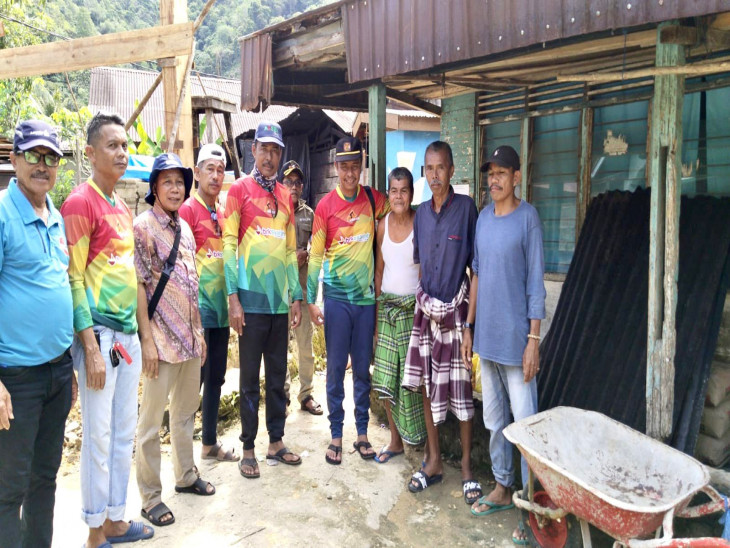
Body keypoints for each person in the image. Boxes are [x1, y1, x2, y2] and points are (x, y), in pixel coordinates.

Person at [61, 112, 154, 547]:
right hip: (98, 338)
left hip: (126, 341)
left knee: (122, 433)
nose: (122, 152)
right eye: (113, 145)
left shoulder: (119, 206)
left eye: (125, 145)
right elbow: (74, 277)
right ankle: (95, 531)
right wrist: (91, 348)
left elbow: (131, 277)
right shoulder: (81, 203)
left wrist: (142, 335)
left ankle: (117, 519)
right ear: (91, 152)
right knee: (97, 438)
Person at [462, 145, 546, 543]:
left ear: (517, 177)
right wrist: (469, 327)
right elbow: (475, 275)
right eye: (489, 173)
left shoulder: (528, 219)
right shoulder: (482, 219)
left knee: (527, 426)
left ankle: (533, 508)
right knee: (495, 421)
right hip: (488, 341)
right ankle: (502, 486)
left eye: (501, 173)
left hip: (518, 343)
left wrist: (534, 339)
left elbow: (535, 285)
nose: (493, 180)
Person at [0, 120, 76, 548]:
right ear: (14, 159)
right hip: (16, 379)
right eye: (33, 155)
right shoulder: (2, 214)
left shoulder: (55, 216)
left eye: (50, 157)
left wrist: (68, 366)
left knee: (45, 479)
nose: (42, 165)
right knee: (9, 490)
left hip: (56, 373)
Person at [135, 152, 215, 527]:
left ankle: (185, 477)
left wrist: (199, 334)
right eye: (166, 181)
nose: (174, 188)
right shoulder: (143, 227)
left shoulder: (183, 229)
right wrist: (146, 341)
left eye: (179, 182)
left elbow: (190, 284)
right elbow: (138, 285)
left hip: (187, 341)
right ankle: (151, 497)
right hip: (159, 345)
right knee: (151, 424)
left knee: (184, 415)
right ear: (154, 187)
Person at [401, 141, 481, 505]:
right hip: (426, 312)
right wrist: (427, 306)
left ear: (452, 170)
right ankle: (433, 461)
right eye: (428, 169)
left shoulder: (466, 210)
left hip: (456, 315)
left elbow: (476, 268)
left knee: (462, 391)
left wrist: (468, 325)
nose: (434, 175)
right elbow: (420, 264)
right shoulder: (420, 215)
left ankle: (466, 467)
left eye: (440, 168)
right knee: (426, 387)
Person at [223, 121, 303, 479]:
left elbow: (289, 254)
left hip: (278, 306)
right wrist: (233, 298)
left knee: (277, 376)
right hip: (250, 305)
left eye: (276, 150)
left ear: (281, 154)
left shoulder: (286, 196)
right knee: (249, 380)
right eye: (264, 149)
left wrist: (296, 297)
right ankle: (249, 448)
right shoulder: (238, 191)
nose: (269, 156)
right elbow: (227, 247)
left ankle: (276, 441)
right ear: (252, 150)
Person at [307, 136, 388, 465]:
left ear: (361, 167)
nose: (350, 173)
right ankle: (337, 434)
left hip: (366, 302)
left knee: (363, 371)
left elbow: (399, 209)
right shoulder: (325, 206)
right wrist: (311, 300)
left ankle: (363, 434)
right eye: (344, 167)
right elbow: (314, 257)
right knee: (336, 368)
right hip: (337, 301)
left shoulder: (373, 199)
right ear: (336, 168)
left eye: (355, 166)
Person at [179, 143, 239, 462]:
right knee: (193, 383)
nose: (216, 176)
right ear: (197, 173)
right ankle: (183, 458)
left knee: (216, 378)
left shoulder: (223, 211)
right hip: (197, 317)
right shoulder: (188, 210)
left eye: (221, 170)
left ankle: (209, 445)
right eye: (210, 169)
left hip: (220, 314)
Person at [372, 167, 426, 463]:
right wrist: (379, 318)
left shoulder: (421, 223)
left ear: (412, 194)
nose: (398, 196)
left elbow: (427, 270)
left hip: (414, 313)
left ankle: (420, 442)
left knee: (415, 382)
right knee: (385, 380)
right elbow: (380, 271)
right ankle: (394, 440)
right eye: (393, 191)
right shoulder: (381, 226)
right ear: (388, 194)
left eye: (404, 190)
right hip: (388, 312)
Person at [280, 160, 322, 416]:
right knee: (279, 346)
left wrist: (306, 253)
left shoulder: (310, 214)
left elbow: (318, 252)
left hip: (303, 289)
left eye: (297, 182)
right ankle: (281, 397)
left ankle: (306, 394)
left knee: (305, 344)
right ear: (281, 184)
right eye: (289, 182)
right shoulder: (274, 211)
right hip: (280, 288)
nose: (293, 187)